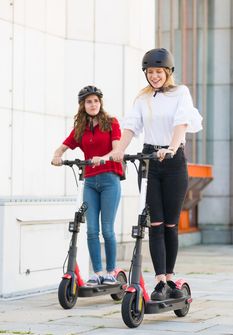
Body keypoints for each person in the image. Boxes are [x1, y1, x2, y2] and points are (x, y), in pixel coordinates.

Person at [110, 48, 203, 300]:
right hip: (149, 160)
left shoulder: (180, 92)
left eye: (158, 72)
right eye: (150, 72)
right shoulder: (143, 98)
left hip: (173, 161)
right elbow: (131, 126)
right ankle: (160, 281)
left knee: (171, 224)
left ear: (167, 72)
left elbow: (181, 122)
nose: (154, 76)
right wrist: (118, 150)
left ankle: (171, 278)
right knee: (155, 224)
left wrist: (171, 148)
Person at [51, 85, 123, 286]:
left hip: (110, 178)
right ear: (83, 105)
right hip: (90, 181)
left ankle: (110, 271)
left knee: (106, 228)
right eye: (89, 101)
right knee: (91, 229)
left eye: (96, 101)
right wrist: (57, 155)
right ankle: (97, 272)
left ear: (101, 102)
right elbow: (63, 146)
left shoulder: (111, 123)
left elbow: (117, 149)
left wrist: (104, 157)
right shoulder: (81, 128)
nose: (93, 105)